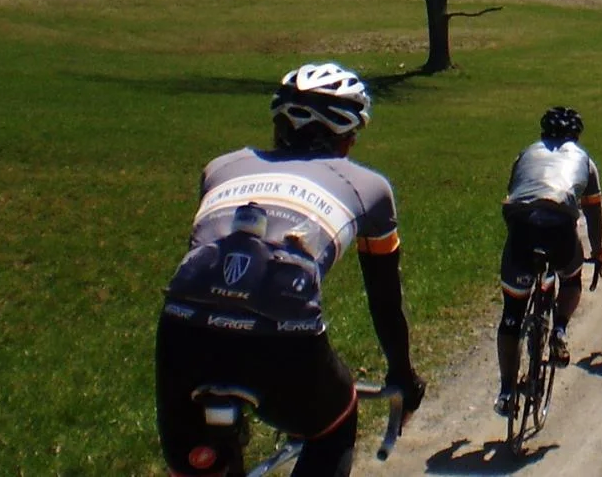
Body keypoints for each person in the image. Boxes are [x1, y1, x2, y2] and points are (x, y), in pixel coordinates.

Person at [156, 62, 425, 477]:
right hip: (282, 340)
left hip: (183, 331)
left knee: (197, 464)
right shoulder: (369, 188)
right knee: (334, 421)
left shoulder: (221, 167)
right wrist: (403, 376)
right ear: (349, 137)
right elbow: (385, 301)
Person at [495, 106, 602, 418]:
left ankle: (506, 392)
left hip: (522, 227)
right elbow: (593, 213)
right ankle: (558, 329)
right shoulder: (584, 159)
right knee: (570, 277)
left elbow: (514, 194)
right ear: (576, 135)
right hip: (560, 228)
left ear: (543, 133)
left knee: (512, 314)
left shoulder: (525, 153)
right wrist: (597, 252)